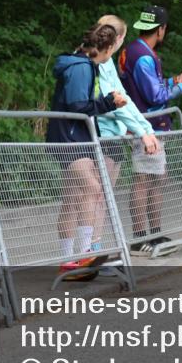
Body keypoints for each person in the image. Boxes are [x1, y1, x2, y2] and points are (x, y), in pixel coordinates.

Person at [47, 23, 128, 280]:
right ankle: (82, 256)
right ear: (108, 48)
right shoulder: (82, 68)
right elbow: (77, 105)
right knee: (93, 189)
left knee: (73, 196)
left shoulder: (83, 64)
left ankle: (70, 261)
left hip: (74, 137)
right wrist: (108, 103)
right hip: (68, 138)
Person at [119, 6, 182, 249]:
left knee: (156, 179)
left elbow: (150, 86)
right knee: (144, 179)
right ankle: (141, 238)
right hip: (145, 127)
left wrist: (174, 81)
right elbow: (154, 95)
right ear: (161, 29)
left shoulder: (135, 51)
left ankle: (154, 234)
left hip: (147, 126)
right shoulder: (143, 56)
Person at [94, 15, 162, 250]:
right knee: (93, 197)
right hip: (101, 132)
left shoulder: (109, 61)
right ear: (119, 38)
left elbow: (124, 98)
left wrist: (145, 128)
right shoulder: (98, 60)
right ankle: (89, 251)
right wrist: (143, 132)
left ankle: (93, 250)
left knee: (101, 197)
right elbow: (114, 103)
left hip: (113, 132)